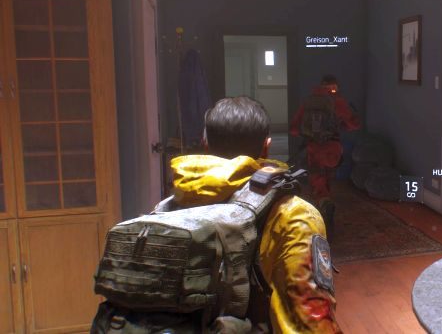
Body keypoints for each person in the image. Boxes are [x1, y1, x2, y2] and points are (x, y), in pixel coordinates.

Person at [93, 97, 341, 334]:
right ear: (266, 146)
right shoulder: (293, 214)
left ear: (206, 145)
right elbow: (310, 322)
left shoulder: (167, 207)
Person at [290, 75, 360, 238]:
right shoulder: (338, 101)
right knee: (327, 181)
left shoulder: (308, 101)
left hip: (313, 149)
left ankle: (320, 213)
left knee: (317, 182)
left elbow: (294, 129)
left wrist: (308, 133)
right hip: (332, 149)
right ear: (335, 86)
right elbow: (354, 125)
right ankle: (326, 207)